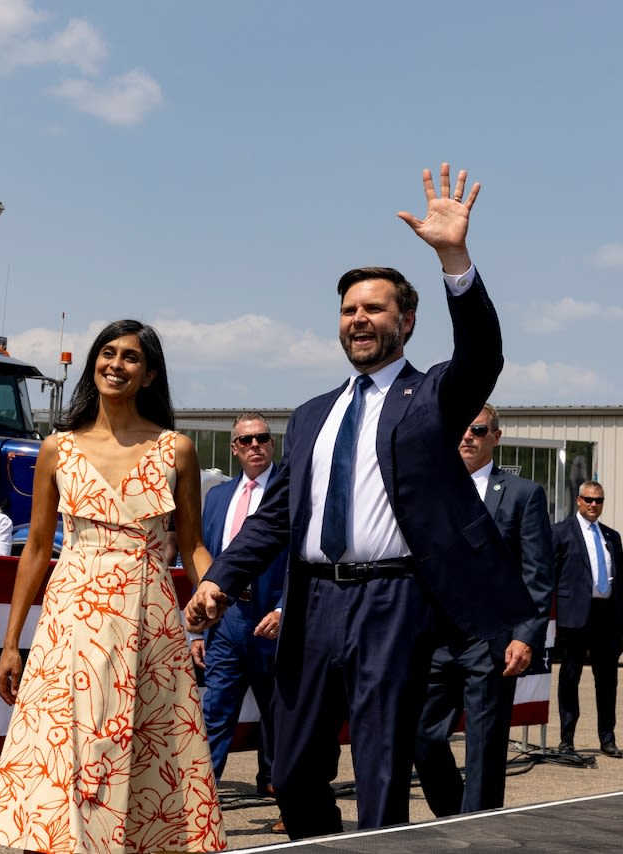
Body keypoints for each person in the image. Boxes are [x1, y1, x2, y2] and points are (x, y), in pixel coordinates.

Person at [186, 164, 536, 838]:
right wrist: (220, 578)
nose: (359, 320)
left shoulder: (432, 397)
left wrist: (454, 258)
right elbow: (274, 517)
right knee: (290, 770)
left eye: (374, 309)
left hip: (392, 602)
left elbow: (484, 353)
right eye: (349, 311)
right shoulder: (312, 415)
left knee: (380, 769)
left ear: (406, 319)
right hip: (312, 604)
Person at [0, 320, 225, 853]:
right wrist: (10, 643)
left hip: (149, 614)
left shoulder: (176, 448)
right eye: (107, 353)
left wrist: (210, 587)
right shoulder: (57, 448)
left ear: (149, 374)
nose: (116, 364)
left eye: (131, 357)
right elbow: (37, 549)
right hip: (71, 611)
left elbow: (193, 545)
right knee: (63, 745)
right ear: (93, 364)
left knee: (143, 748)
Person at [414, 404, 554, 814]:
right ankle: (455, 815)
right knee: (422, 735)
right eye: (460, 428)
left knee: (485, 745)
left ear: (496, 435)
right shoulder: (427, 491)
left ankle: (478, 832)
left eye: (477, 429)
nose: (467, 436)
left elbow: (537, 575)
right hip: (436, 638)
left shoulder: (523, 495)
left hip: (492, 641)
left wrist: (526, 636)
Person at [194, 413, 287, 803]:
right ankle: (200, 801)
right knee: (214, 712)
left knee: (281, 718)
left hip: (274, 620)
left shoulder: (291, 491)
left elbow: (304, 557)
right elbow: (206, 561)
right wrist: (199, 629)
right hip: (227, 622)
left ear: (272, 443)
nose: (255, 446)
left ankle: (287, 798)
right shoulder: (217, 497)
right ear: (234, 448)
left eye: (262, 438)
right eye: (246, 440)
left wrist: (285, 608)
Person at [553, 480, 623, 757]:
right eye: (589, 500)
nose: (594, 505)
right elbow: (549, 576)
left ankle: (607, 738)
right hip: (574, 616)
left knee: (607, 680)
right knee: (570, 677)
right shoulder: (560, 533)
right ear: (579, 501)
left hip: (606, 616)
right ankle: (567, 739)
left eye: (599, 501)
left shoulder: (612, 536)